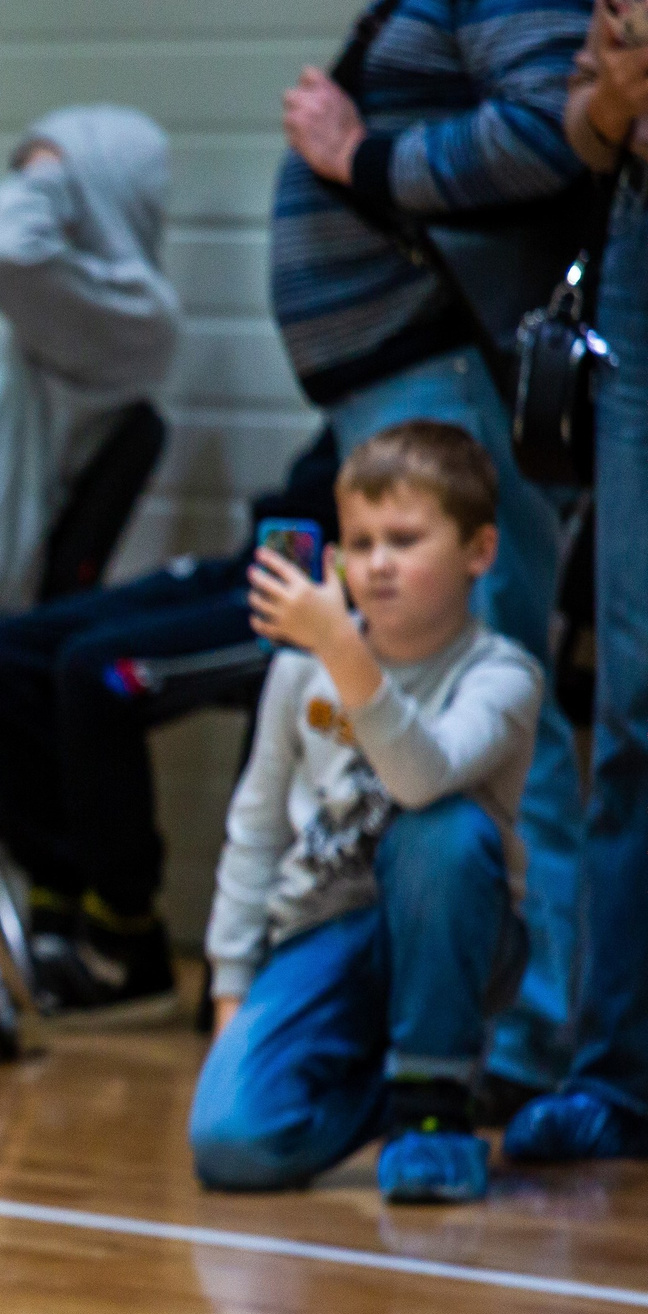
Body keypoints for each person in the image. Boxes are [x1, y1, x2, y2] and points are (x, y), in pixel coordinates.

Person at [269, 0, 590, 1109]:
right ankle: (512, 1027)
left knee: (504, 702)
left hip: (447, 364)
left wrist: (358, 156)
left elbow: (551, 127)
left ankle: (537, 1036)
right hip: (403, 371)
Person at [191, 423, 543, 1204]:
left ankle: (432, 1108)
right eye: (359, 542)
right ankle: (399, 1086)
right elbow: (255, 835)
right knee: (230, 1147)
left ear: (478, 553)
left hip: (451, 936)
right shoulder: (296, 673)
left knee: (442, 831)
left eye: (405, 540)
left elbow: (422, 779)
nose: (376, 564)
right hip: (320, 936)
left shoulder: (502, 678)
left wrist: (339, 653)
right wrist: (231, 999)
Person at [0, 430, 342, 1017]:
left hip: (322, 588)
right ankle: (55, 916)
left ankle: (123, 938)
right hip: (269, 553)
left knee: (97, 673)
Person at [510, 4, 648, 1160]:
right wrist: (624, 84)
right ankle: (616, 1076)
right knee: (632, 706)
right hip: (639, 255)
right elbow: (582, 127)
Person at [0, 105, 181, 628]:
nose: (31, 198)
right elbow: (39, 421)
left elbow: (9, 251)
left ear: (102, 195)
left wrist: (46, 168)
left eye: (56, 189)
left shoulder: (134, 313)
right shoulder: (90, 302)